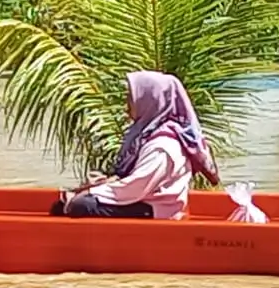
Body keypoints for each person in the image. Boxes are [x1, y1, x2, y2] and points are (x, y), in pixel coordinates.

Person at [52, 70, 219, 220]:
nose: (127, 105)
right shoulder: (147, 135)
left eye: (132, 99)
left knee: (82, 205)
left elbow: (137, 186)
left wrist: (92, 192)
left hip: (156, 208)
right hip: (141, 199)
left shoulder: (164, 146)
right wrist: (101, 184)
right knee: (64, 204)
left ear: (150, 101)